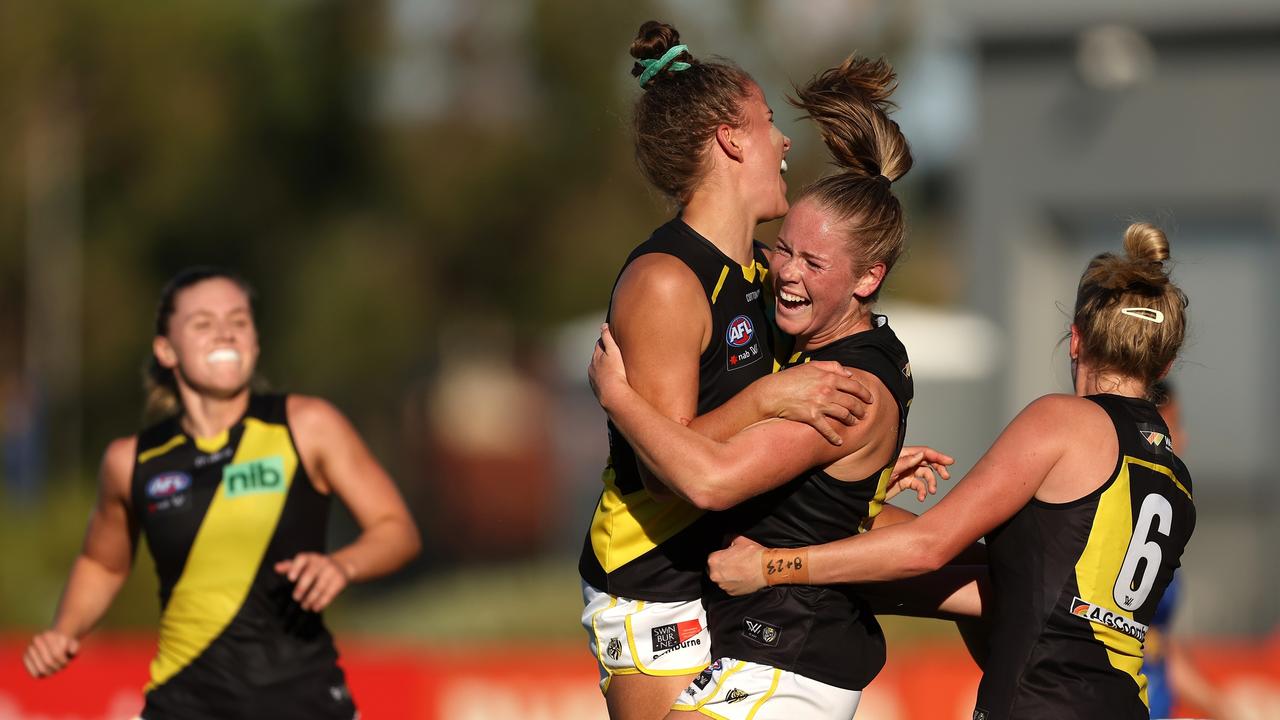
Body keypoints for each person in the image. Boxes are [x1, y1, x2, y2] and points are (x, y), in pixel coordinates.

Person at [590, 55, 981, 719]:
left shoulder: (758, 271)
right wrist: (769, 402)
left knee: (990, 579)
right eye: (770, 122)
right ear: (730, 139)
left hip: (734, 564)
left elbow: (765, 445)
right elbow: (668, 476)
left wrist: (859, 476)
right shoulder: (667, 281)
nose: (786, 140)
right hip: (656, 585)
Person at [709, 223, 1195, 720]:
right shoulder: (1177, 480)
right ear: (1165, 366)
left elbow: (928, 547)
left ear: (1075, 339)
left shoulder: (1063, 422)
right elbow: (1029, 596)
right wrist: (858, 498)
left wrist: (770, 565)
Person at [21, 267, 421, 720]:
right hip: (182, 704)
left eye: (239, 322)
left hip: (303, 702)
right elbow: (102, 563)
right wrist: (64, 630)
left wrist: (342, 565)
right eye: (204, 324)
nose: (225, 334)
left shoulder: (308, 426)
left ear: (255, 341)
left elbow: (397, 530)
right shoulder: (131, 461)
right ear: (166, 350)